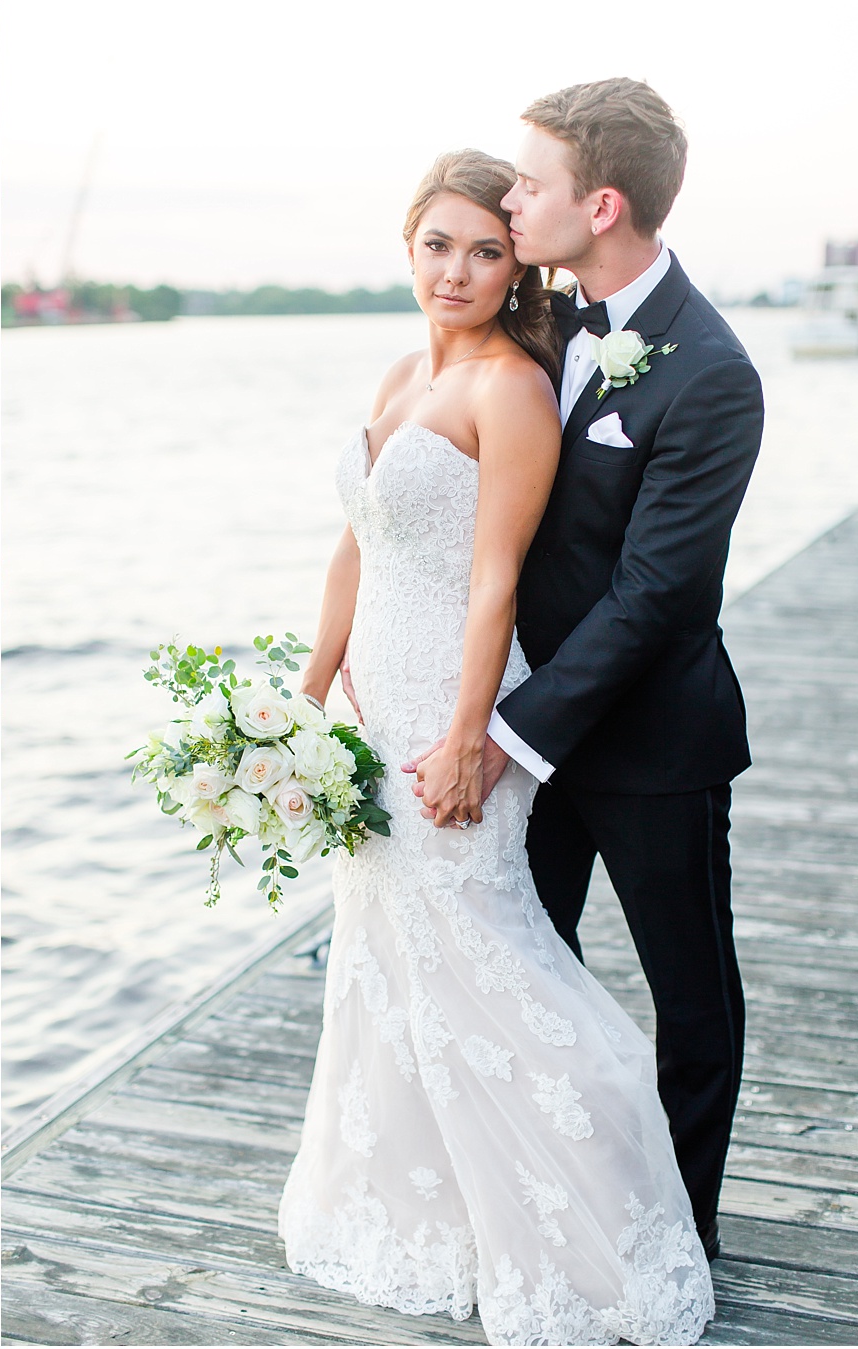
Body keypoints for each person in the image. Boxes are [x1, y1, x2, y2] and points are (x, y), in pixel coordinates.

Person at [277, 148, 715, 1345]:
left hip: (452, 709)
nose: (459, 269)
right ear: (406, 246)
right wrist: (298, 708)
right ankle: (446, 1215)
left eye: (486, 248)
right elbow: (354, 548)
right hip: (370, 713)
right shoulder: (398, 372)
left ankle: (602, 1201)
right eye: (438, 244)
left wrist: (473, 737)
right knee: (390, 958)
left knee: (491, 954)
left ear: (515, 262)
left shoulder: (510, 391)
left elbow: (495, 582)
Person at [412, 78, 764, 1268]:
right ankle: (540, 1211)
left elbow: (656, 596)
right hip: (526, 731)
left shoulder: (713, 372)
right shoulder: (544, 321)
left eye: (530, 185)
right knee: (520, 978)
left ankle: (680, 1235)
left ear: (600, 203)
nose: (511, 202)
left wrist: (504, 734)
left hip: (651, 743)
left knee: (691, 1000)